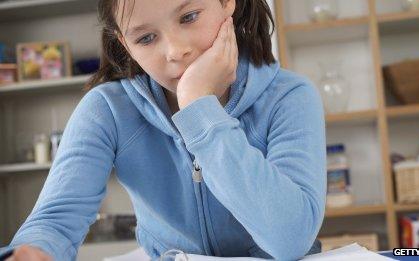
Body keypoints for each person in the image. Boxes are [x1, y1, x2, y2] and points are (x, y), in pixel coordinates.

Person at [0, 0, 327, 260]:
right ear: (124, 45)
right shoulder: (107, 109)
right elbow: (57, 220)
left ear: (228, 2)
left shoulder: (289, 96)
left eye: (189, 17)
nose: (175, 50)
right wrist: (34, 251)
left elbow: (290, 239)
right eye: (145, 38)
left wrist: (199, 108)